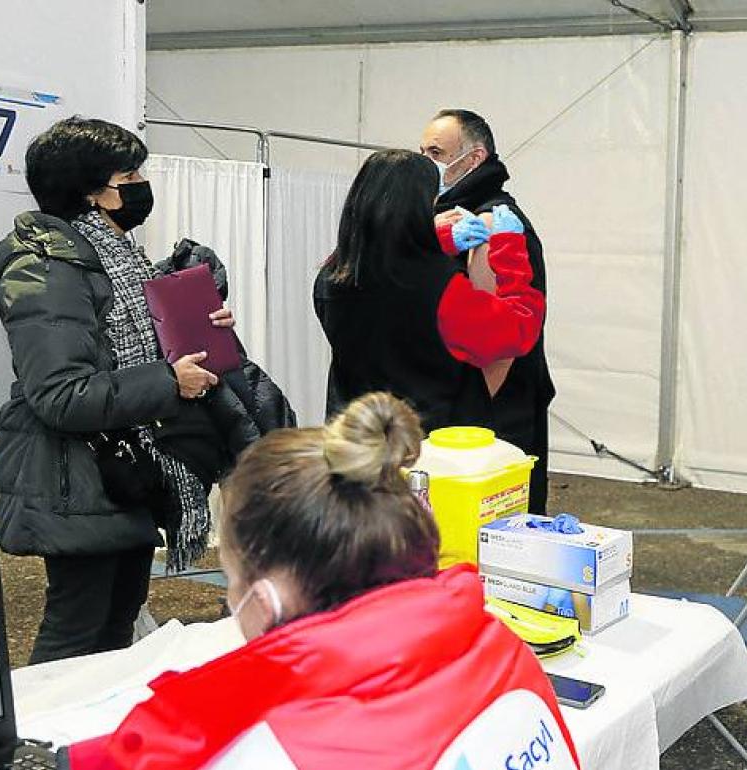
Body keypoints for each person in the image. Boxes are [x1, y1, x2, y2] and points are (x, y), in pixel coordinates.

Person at [65, 393, 580, 770]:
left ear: (264, 601)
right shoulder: (499, 651)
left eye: (233, 576)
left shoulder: (271, 749)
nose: (229, 598)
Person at [0, 117, 237, 664]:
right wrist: (168, 381)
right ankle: (41, 745)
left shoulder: (110, 255)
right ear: (93, 190)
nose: (140, 184)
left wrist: (200, 326)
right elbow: (60, 394)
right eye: (130, 174)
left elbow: (131, 342)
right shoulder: (45, 267)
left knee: (118, 621)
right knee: (77, 632)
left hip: (125, 469)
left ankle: (88, 745)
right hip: (74, 479)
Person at [314, 149, 544, 441]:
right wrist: (510, 251)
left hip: (356, 434)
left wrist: (439, 241)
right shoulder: (440, 288)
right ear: (421, 207)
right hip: (429, 445)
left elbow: (385, 274)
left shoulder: (330, 276)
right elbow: (518, 328)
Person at [422, 109, 556, 512]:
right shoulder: (442, 218)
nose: (427, 161)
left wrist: (478, 407)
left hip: (488, 410)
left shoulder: (491, 222)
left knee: (493, 523)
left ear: (475, 158)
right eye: (422, 150)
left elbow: (499, 339)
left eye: (436, 151)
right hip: (466, 402)